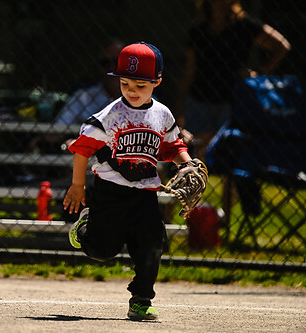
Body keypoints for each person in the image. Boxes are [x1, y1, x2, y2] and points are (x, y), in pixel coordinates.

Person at [63, 42, 192, 321]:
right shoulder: (109, 117)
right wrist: (77, 186)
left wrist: (187, 163)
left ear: (157, 81)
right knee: (101, 251)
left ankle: (141, 299)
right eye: (125, 83)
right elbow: (82, 149)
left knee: (152, 245)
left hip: (145, 193)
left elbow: (171, 146)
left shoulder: (162, 114)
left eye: (140, 85)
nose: (132, 91)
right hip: (111, 193)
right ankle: (86, 227)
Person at [176, 0, 291, 158]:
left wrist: (259, 73)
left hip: (232, 99)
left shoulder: (245, 26)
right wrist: (179, 108)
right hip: (199, 99)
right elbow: (189, 72)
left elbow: (282, 45)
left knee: (230, 152)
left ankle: (230, 183)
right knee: (196, 151)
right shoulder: (198, 30)